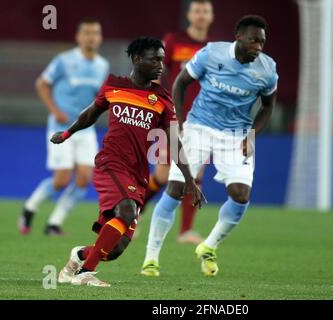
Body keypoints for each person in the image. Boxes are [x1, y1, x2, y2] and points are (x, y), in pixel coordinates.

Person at [52, 37, 205, 287]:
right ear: (137, 59)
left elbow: (176, 142)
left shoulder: (164, 100)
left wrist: (190, 180)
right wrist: (68, 133)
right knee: (126, 211)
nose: (160, 65)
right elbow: (91, 113)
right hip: (110, 164)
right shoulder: (114, 85)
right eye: (154, 59)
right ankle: (83, 274)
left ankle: (78, 258)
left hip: (137, 174)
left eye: (162, 60)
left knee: (115, 247)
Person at [141, 15, 278, 277]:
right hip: (199, 127)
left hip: (236, 134)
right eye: (253, 41)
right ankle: (151, 258)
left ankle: (209, 246)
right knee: (175, 188)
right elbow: (181, 82)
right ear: (238, 37)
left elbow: (268, 106)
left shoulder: (267, 69)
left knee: (240, 196)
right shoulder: (212, 54)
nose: (258, 47)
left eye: (261, 42)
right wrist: (180, 122)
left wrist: (251, 135)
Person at [18, 18, 109, 236]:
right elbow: (41, 83)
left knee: (84, 178)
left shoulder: (102, 65)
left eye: (95, 33)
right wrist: (54, 109)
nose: (91, 37)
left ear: (100, 38)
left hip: (85, 129)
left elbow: (99, 98)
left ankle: (54, 224)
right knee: (61, 179)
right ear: (78, 37)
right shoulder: (63, 60)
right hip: (60, 127)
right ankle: (30, 208)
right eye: (87, 33)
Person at [143, 0, 214, 244]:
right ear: (189, 14)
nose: (201, 15)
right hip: (172, 117)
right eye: (197, 10)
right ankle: (135, 213)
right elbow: (156, 74)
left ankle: (185, 231)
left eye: (205, 10)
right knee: (162, 175)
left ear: (211, 16)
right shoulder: (173, 41)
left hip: (202, 121)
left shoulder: (214, 49)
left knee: (194, 175)